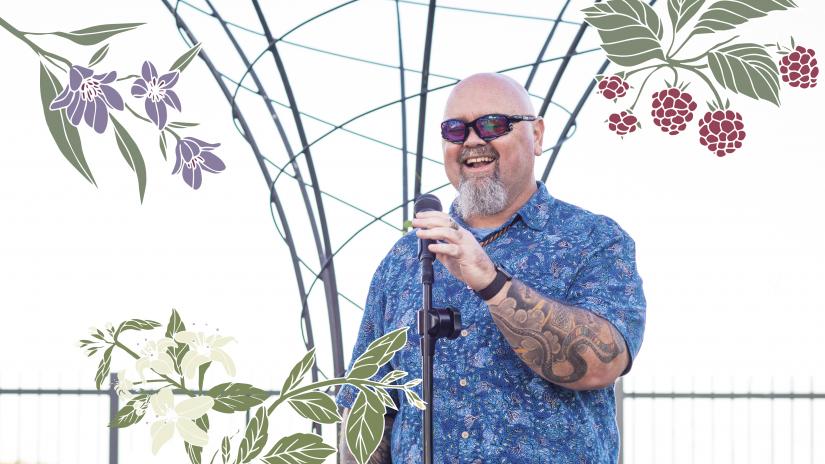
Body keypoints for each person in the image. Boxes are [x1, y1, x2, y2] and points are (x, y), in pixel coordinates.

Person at [336, 72, 646, 463]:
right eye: (455, 130)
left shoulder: (593, 240)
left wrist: (491, 281)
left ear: (536, 135)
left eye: (492, 124)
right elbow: (367, 408)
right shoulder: (402, 262)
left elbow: (602, 363)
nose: (471, 140)